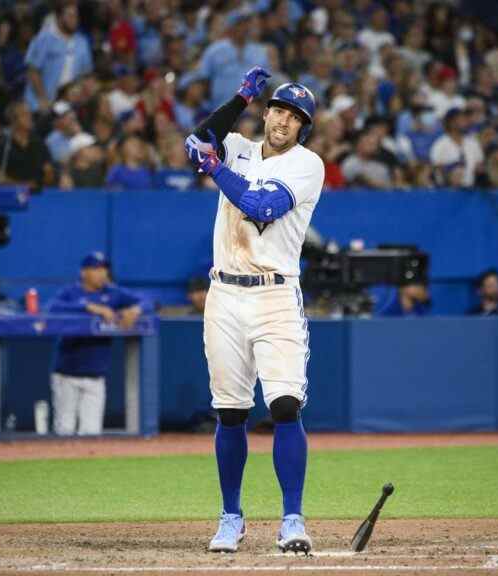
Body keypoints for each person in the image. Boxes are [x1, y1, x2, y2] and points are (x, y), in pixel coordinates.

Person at [184, 68, 323, 554]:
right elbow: (200, 137)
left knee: (284, 405)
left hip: (274, 294)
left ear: (303, 128)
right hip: (224, 292)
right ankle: (231, 516)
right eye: (279, 109)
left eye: (295, 117)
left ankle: (291, 518)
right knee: (230, 411)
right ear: (266, 112)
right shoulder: (241, 146)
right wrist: (239, 95)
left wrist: (213, 167)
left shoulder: (307, 165)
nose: (284, 120)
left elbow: (261, 207)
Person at [46, 252, 142, 436]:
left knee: (91, 433)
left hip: (96, 376)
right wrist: (87, 306)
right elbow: (51, 308)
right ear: (84, 272)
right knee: (64, 430)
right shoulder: (71, 292)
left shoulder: (113, 293)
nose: (102, 273)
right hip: (66, 374)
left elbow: (149, 301)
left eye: (104, 269)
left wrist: (136, 309)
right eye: (96, 269)